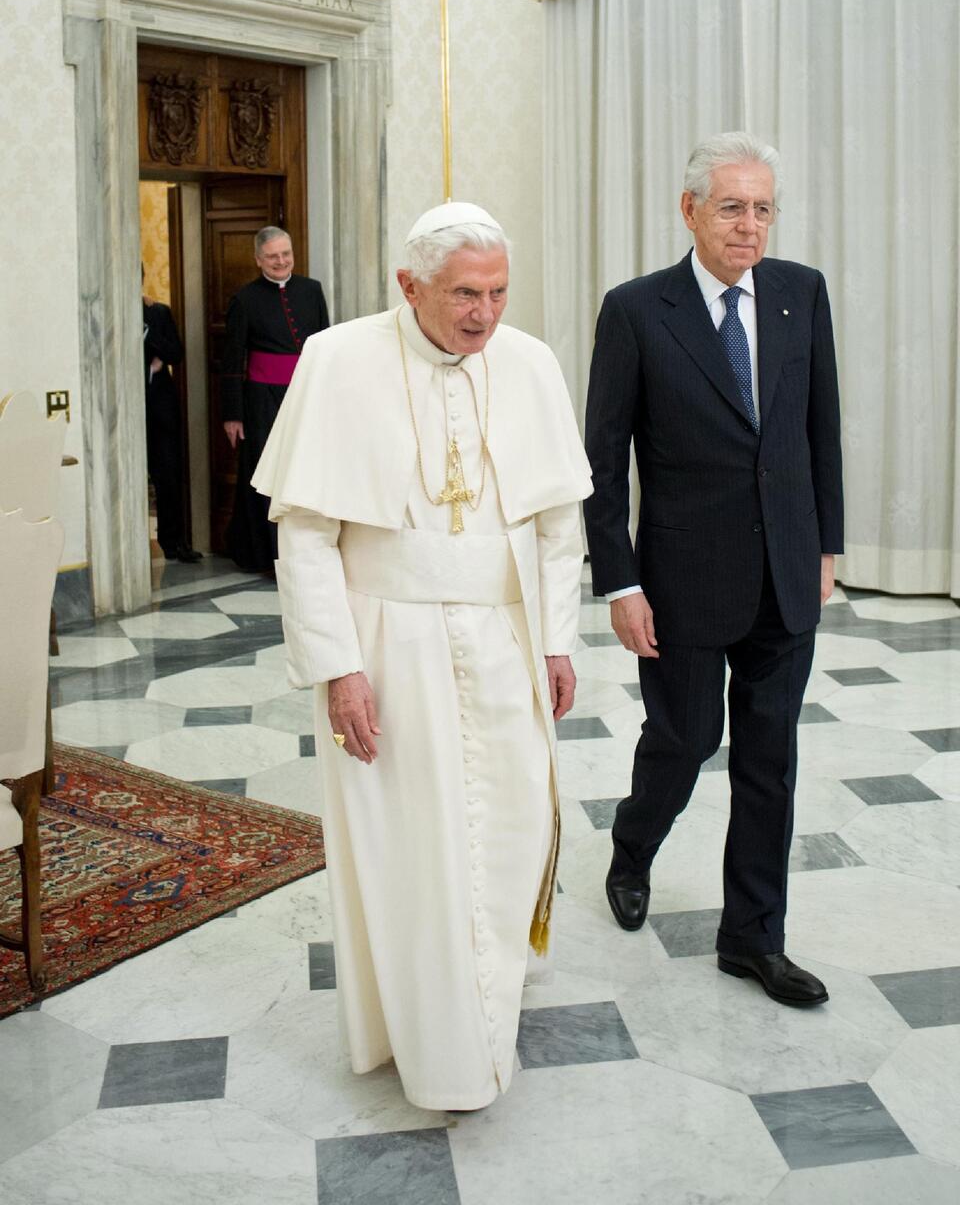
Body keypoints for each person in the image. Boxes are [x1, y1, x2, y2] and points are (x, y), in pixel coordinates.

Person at [252, 202, 592, 1110]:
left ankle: (492, 1011)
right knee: (411, 846)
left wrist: (558, 640)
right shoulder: (338, 360)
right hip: (388, 644)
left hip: (505, 635)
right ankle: (431, 1042)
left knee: (509, 827)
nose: (484, 315)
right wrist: (338, 667)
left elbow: (562, 527)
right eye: (464, 295)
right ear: (409, 286)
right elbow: (308, 536)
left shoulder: (530, 363)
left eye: (498, 293)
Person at [583, 131, 843, 1008]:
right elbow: (604, 457)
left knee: (769, 761)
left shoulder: (801, 295)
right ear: (689, 209)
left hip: (785, 571)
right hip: (683, 581)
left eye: (763, 207)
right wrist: (619, 582)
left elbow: (820, 432)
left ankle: (753, 940)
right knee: (686, 742)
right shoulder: (636, 310)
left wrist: (826, 546)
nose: (750, 225)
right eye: (732, 206)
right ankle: (633, 842)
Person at [221, 226, 329, 571]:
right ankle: (265, 555)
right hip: (261, 400)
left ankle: (307, 549)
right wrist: (232, 414)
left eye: (286, 254)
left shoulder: (311, 291)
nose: (281, 261)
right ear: (258, 260)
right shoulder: (245, 299)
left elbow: (324, 346)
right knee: (266, 474)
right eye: (272, 256)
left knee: (307, 469)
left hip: (305, 394)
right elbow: (232, 359)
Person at [143, 284, 201, 564]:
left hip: (160, 409)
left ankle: (173, 542)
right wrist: (149, 365)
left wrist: (150, 337)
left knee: (168, 475)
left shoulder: (158, 313)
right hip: (126, 409)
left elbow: (175, 353)